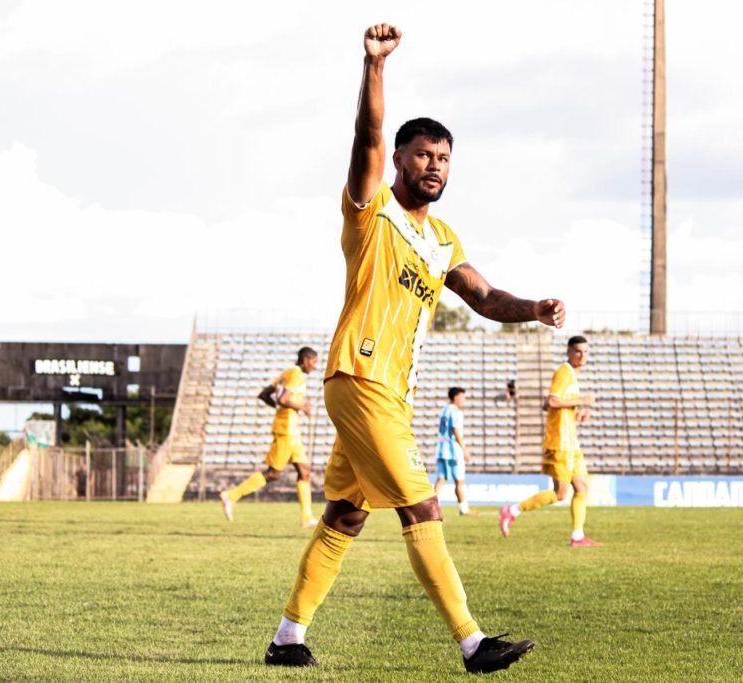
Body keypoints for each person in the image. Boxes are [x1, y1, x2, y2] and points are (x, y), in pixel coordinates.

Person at [264, 24, 564, 673]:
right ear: (400, 160)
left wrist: (533, 309)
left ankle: (287, 637)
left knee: (345, 515)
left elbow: (484, 297)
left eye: (444, 157)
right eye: (424, 154)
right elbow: (368, 134)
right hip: (360, 375)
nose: (435, 165)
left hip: (389, 394)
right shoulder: (371, 209)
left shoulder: (443, 239)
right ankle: (473, 643)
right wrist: (374, 67)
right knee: (422, 505)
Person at [499, 336, 598, 547]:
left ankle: (578, 536)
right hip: (560, 442)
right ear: (569, 352)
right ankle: (512, 510)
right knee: (561, 493)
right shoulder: (564, 372)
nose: (582, 355)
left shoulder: (572, 376)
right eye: (578, 351)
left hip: (571, 441)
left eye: (586, 351)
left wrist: (578, 413)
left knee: (582, 487)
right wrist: (581, 401)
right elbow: (552, 401)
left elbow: (551, 405)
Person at [221, 347, 319, 527]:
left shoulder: (285, 374)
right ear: (306, 360)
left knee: (304, 471)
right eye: (314, 362)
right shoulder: (296, 375)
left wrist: (280, 408)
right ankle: (231, 495)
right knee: (274, 473)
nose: (315, 366)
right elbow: (284, 399)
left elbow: (264, 395)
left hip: (292, 430)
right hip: (286, 430)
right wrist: (302, 407)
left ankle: (306, 518)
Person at [433, 387, 477, 516]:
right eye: (462, 397)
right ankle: (464, 509)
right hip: (453, 451)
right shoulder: (456, 412)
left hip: (441, 449)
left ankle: (433, 509)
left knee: (440, 480)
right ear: (456, 397)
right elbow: (456, 430)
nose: (464, 400)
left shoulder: (444, 410)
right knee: (459, 481)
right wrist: (464, 449)